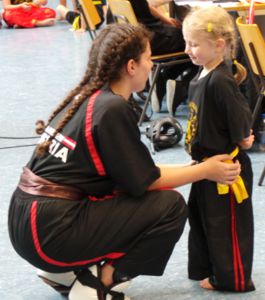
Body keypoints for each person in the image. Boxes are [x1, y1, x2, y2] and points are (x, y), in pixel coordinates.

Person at [8, 23, 241, 300]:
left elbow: (133, 172)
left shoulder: (89, 98)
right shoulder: (112, 109)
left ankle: (65, 273)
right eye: (147, 58)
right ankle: (100, 283)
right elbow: (146, 182)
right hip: (51, 234)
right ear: (131, 66)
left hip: (27, 224)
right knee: (169, 207)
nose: (151, 64)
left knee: (127, 195)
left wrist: (190, 169)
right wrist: (206, 170)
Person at [182, 6, 255, 292]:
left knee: (227, 227)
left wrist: (242, 137)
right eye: (186, 42)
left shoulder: (221, 80)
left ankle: (231, 278)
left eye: (195, 44)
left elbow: (239, 114)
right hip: (204, 167)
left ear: (219, 45)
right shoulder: (202, 74)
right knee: (202, 219)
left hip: (226, 170)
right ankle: (205, 267)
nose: (188, 50)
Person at [107, 0, 197, 115]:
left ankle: (162, 80)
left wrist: (167, 20)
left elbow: (149, 5)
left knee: (188, 39)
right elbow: (152, 3)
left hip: (133, 33)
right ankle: (179, 86)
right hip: (148, 36)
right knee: (192, 40)